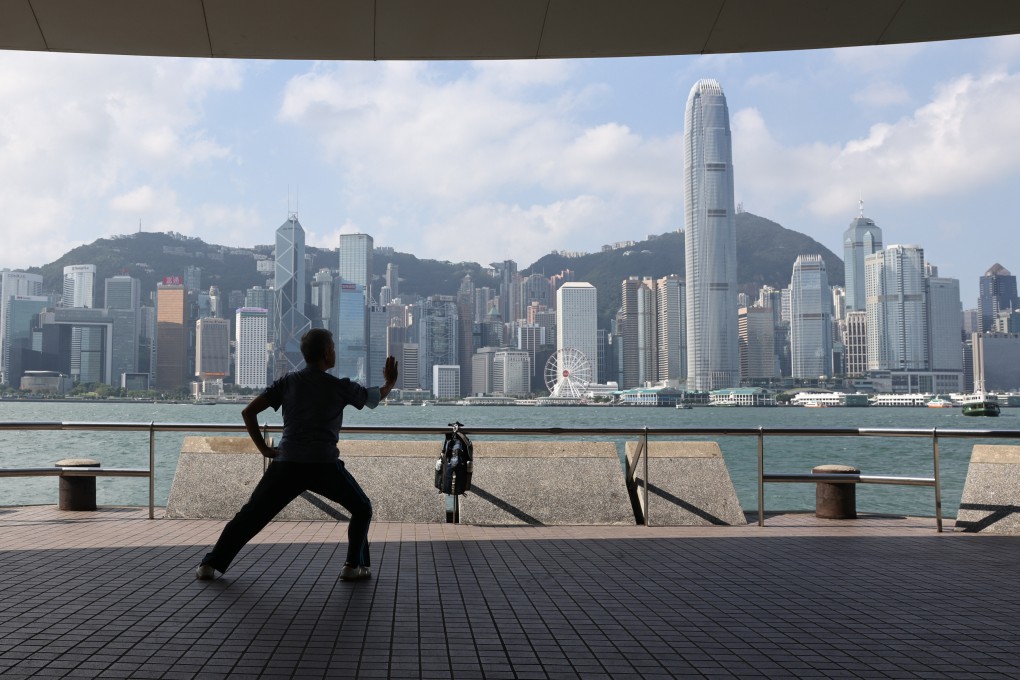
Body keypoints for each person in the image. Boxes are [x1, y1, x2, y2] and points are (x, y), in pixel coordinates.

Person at [196, 328, 398, 582]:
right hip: (324, 466)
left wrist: (264, 449)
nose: (334, 351)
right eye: (333, 347)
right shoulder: (339, 387)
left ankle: (211, 564)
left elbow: (248, 412)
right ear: (326, 354)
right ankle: (352, 565)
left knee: (251, 516)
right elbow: (374, 398)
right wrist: (390, 382)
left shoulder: (287, 382)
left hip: (287, 464)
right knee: (362, 508)